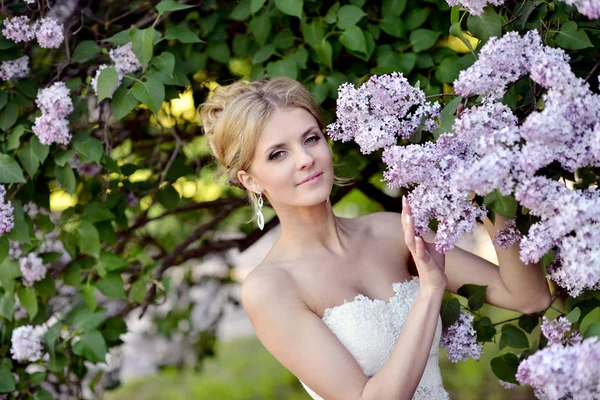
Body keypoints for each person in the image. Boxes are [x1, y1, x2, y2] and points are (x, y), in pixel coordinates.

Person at [199, 76, 552, 400]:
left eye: (311, 139)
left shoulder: (389, 232)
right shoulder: (270, 287)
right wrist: (430, 291)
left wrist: (491, 183)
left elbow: (530, 297)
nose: (306, 159)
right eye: (278, 154)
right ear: (251, 181)